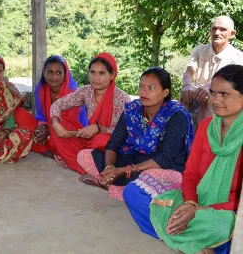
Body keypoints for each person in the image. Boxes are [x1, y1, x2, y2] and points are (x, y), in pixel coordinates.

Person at [134, 64, 243, 254]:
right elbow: (191, 173)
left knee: (226, 225)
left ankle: (184, 239)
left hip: (226, 211)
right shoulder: (207, 126)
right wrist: (190, 203)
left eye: (224, 94)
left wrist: (200, 210)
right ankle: (198, 245)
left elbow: (239, 201)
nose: (215, 100)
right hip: (194, 200)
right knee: (134, 194)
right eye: (213, 93)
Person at [77, 67, 193, 201]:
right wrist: (110, 167)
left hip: (162, 167)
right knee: (84, 156)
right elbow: (113, 144)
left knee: (171, 179)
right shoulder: (132, 109)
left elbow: (165, 158)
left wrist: (121, 171)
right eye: (141, 86)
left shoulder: (176, 115)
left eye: (151, 88)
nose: (143, 91)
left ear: (165, 92)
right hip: (134, 159)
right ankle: (120, 186)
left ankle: (116, 186)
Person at [50, 52, 131, 174]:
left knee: (103, 140)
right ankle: (81, 162)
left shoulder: (121, 98)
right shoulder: (86, 91)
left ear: (112, 75)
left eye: (102, 73)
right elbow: (58, 104)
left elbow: (125, 132)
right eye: (92, 72)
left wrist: (98, 128)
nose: (96, 78)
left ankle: (81, 161)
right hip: (88, 137)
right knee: (60, 126)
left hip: (108, 143)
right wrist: (55, 122)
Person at [14, 55, 87, 159]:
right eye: (50, 72)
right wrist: (42, 127)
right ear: (44, 73)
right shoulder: (41, 90)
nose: (54, 77)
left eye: (58, 72)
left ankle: (44, 147)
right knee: (19, 113)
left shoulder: (73, 93)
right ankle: (47, 148)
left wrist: (49, 130)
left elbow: (71, 123)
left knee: (56, 134)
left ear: (65, 74)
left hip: (68, 133)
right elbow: (41, 116)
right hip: (49, 129)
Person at [181, 16, 243, 128]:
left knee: (210, 97)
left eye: (223, 29)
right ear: (210, 31)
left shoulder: (238, 57)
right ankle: (179, 136)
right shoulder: (199, 50)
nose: (217, 32)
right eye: (214, 29)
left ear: (231, 34)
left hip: (222, 98)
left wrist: (210, 89)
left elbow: (229, 85)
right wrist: (186, 85)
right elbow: (189, 71)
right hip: (198, 93)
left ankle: (205, 137)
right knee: (184, 95)